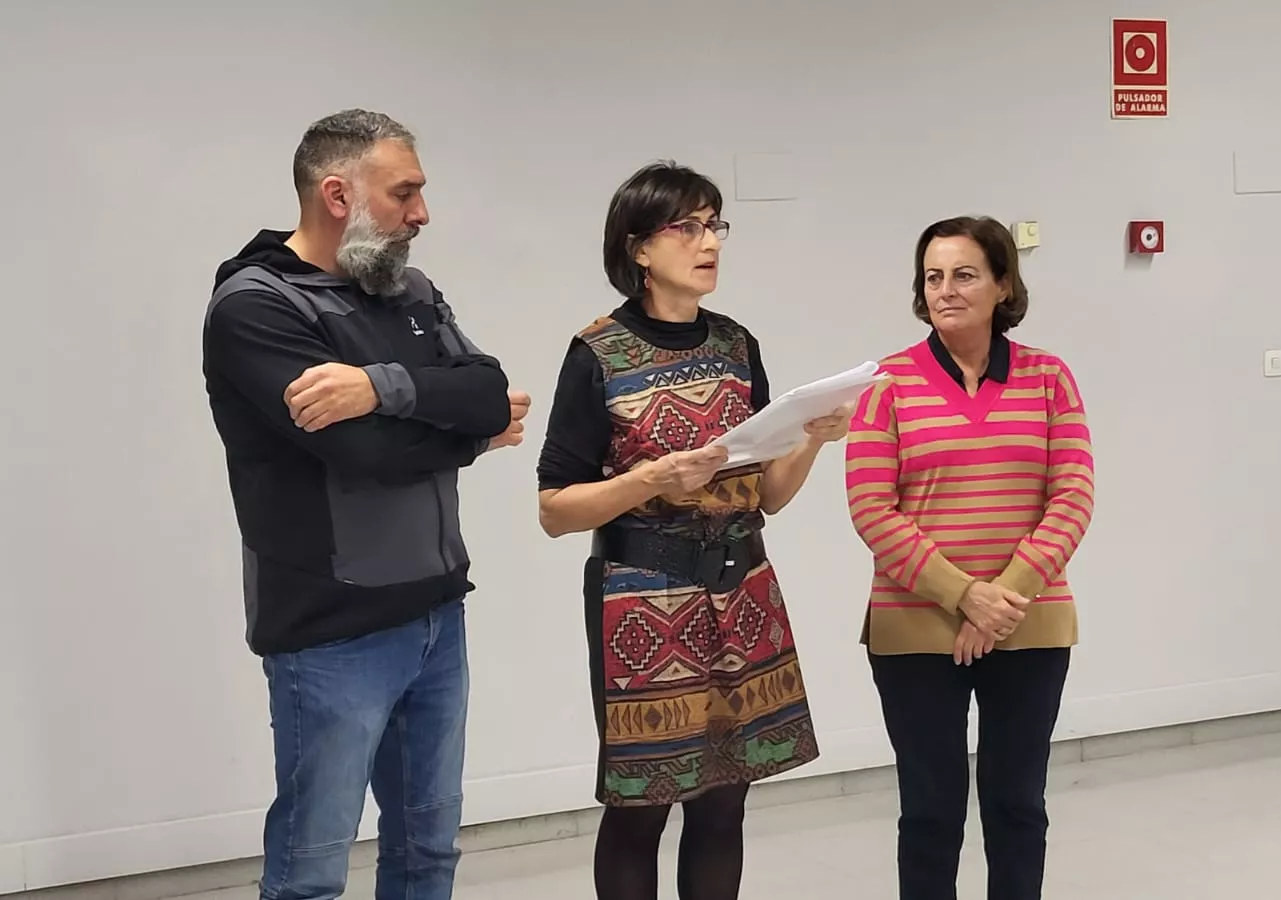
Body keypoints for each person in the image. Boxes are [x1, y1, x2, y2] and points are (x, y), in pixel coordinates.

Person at [202, 109, 529, 900]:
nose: (422, 214)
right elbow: (365, 456)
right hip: (330, 634)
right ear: (337, 193)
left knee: (427, 854)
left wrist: (381, 387)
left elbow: (488, 390)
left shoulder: (407, 291)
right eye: (404, 193)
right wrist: (469, 438)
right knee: (312, 872)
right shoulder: (257, 306)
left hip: (436, 617)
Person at [536, 161, 842, 900]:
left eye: (715, 225)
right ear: (639, 249)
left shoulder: (736, 346)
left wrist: (812, 440)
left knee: (725, 798)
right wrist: (650, 480)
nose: (709, 243)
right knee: (643, 803)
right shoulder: (598, 353)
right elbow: (554, 508)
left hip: (743, 590)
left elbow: (766, 494)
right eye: (687, 227)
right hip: (644, 597)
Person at [845, 216, 1095, 900]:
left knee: (1018, 806)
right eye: (933, 277)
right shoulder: (885, 384)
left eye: (964, 274)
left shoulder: (1050, 378)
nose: (945, 290)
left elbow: (1072, 497)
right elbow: (872, 508)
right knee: (930, 813)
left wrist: (1001, 600)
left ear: (1002, 284)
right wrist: (965, 596)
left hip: (1029, 625)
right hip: (915, 628)